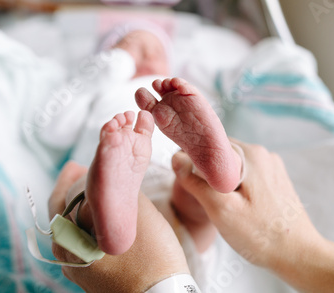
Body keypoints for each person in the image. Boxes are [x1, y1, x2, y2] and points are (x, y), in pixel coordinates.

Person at [49, 136, 334, 293]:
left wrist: (152, 286)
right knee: (194, 220)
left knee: (78, 183)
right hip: (158, 181)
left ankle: (101, 212)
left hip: (135, 161)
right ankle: (210, 182)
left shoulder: (116, 80)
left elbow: (55, 127)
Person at [41, 23, 243, 255]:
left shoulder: (178, 98)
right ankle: (208, 176)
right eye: (131, 46)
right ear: (106, 56)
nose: (147, 54)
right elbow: (54, 132)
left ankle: (208, 171)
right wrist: (95, 77)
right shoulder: (101, 88)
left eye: (157, 51)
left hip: (163, 172)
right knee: (195, 212)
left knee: (74, 182)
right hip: (166, 226)